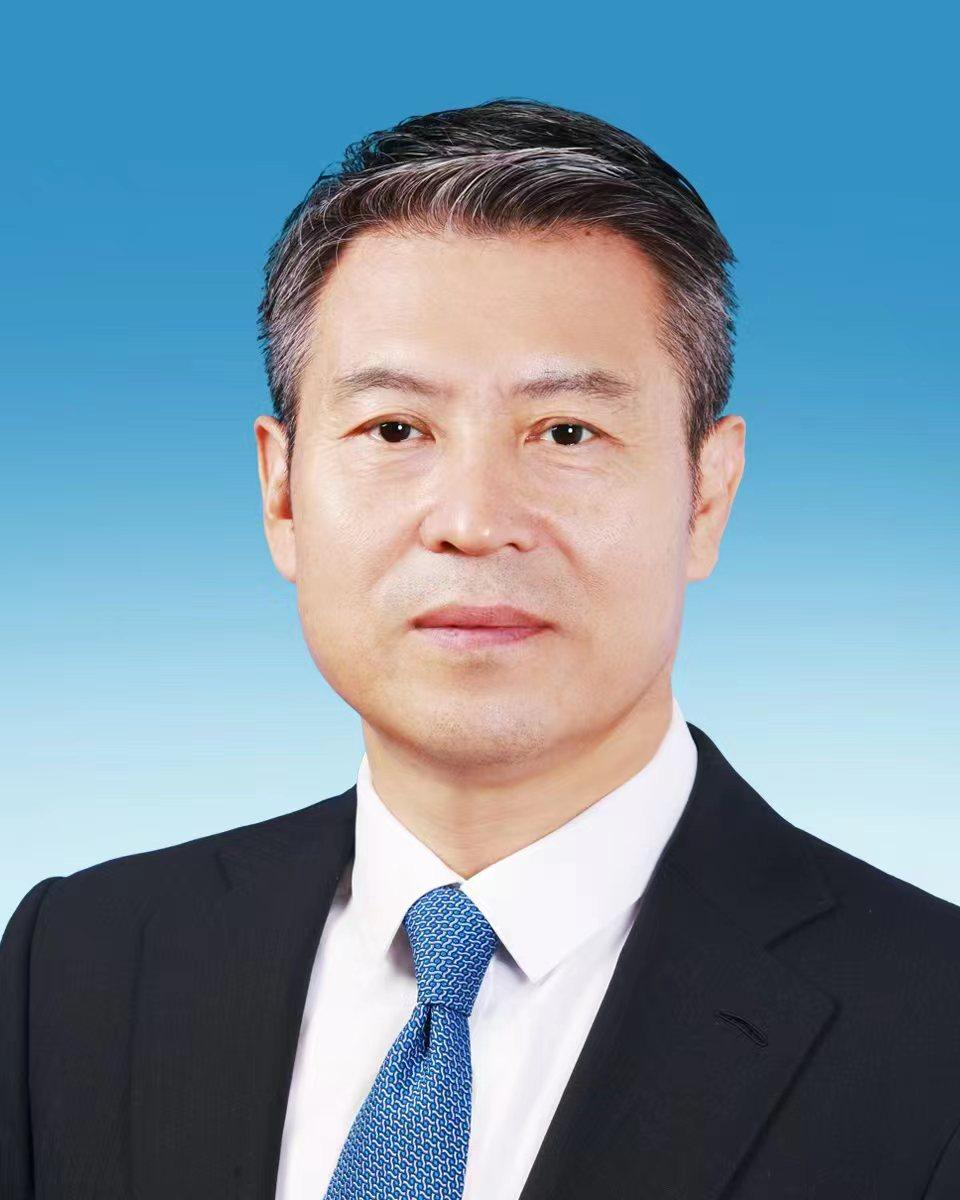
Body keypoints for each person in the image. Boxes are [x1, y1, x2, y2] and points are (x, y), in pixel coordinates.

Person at [2, 98, 959, 1200]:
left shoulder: (932, 1030)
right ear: (281, 491)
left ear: (707, 493)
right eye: (395, 429)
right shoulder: (75, 965)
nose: (471, 519)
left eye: (566, 432)